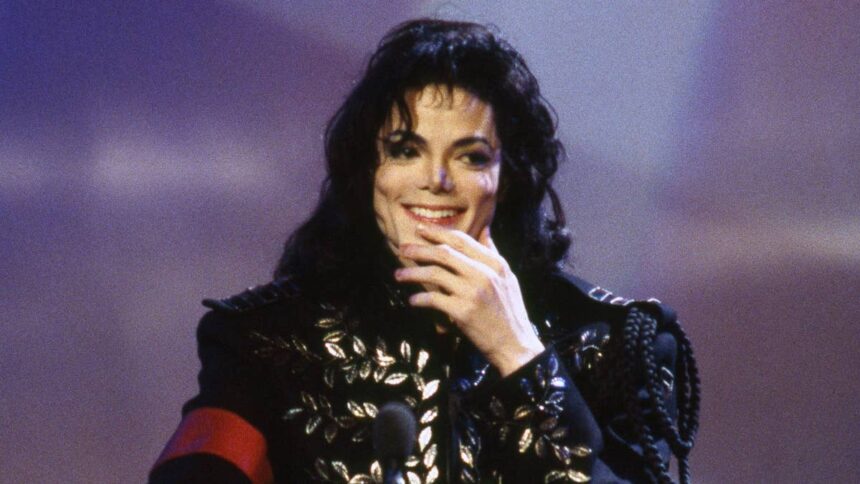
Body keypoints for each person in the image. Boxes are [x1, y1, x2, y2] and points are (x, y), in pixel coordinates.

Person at [149, 18, 699, 484]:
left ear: (509, 177)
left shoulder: (619, 344)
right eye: (405, 150)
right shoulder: (267, 340)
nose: (435, 180)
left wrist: (518, 355)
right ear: (369, 169)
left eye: (471, 156)